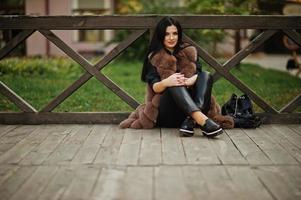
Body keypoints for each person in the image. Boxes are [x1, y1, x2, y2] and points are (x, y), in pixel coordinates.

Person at [120, 17, 224, 138]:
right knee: (174, 82)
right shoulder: (154, 57)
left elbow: (200, 75)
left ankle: (192, 120)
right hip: (168, 113)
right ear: (160, 36)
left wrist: (191, 80)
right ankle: (202, 120)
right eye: (167, 34)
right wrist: (166, 82)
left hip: (191, 108)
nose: (171, 38)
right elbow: (155, 87)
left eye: (174, 33)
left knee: (206, 75)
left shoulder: (189, 52)